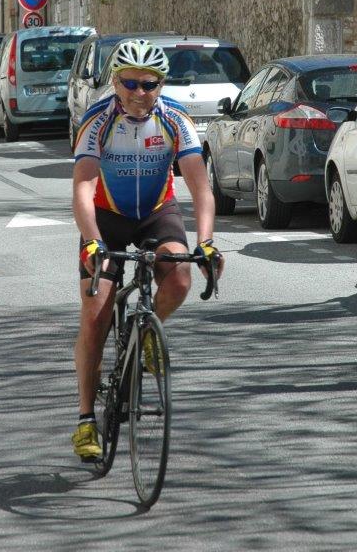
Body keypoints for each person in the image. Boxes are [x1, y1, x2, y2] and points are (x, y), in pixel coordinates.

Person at [71, 38, 223, 460]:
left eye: (149, 84)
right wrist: (92, 241)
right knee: (96, 315)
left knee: (179, 276)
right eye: (130, 83)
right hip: (106, 217)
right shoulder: (98, 120)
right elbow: (82, 187)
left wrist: (206, 242)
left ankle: (147, 331)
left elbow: (200, 187)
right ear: (115, 83)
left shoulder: (175, 119)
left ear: (161, 85)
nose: (139, 92)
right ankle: (85, 419)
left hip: (156, 210)